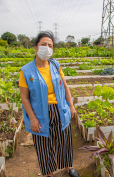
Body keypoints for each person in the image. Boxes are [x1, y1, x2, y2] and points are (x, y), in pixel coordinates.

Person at [19, 31, 79, 177]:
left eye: (50, 45)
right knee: (43, 143)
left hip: (60, 109)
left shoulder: (55, 65)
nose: (47, 48)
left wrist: (71, 105)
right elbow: (25, 98)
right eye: (43, 44)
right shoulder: (26, 71)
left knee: (64, 138)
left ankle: (68, 166)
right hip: (40, 112)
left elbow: (65, 87)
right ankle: (49, 172)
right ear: (36, 47)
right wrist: (33, 118)